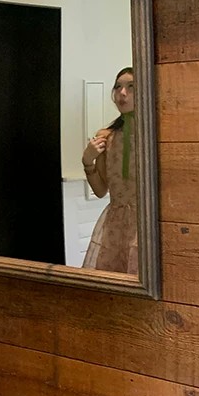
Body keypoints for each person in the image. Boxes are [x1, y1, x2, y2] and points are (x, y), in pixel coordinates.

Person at [81, 66, 138, 275]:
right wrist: (87, 161)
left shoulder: (156, 134)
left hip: (146, 223)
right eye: (118, 87)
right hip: (115, 225)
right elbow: (100, 190)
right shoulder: (106, 136)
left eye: (131, 87)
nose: (122, 93)